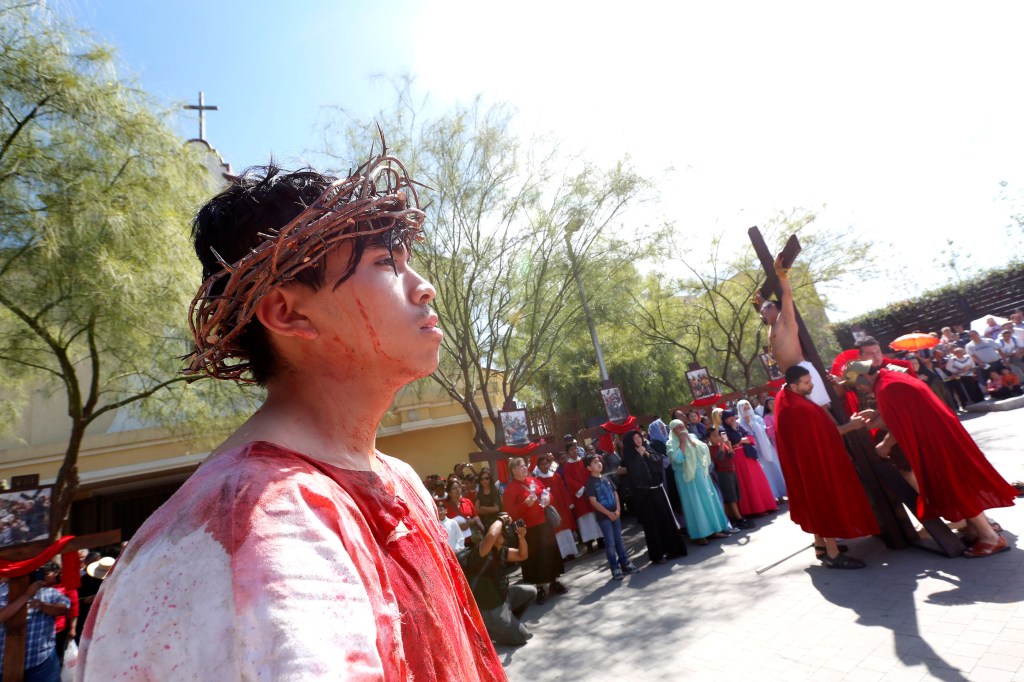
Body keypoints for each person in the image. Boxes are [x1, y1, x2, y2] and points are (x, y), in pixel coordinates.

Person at [77, 155, 504, 680]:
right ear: (290, 313)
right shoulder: (256, 529)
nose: (424, 286)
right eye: (385, 263)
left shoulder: (398, 478)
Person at [845, 360, 1017, 557]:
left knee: (953, 485)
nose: (858, 389)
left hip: (934, 441)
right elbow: (900, 410)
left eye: (857, 384)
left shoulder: (887, 387)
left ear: (865, 376)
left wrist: (885, 444)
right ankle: (975, 529)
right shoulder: (891, 379)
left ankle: (990, 538)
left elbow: (899, 421)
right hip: (939, 436)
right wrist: (875, 415)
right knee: (954, 483)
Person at [774, 365, 879, 568]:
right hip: (813, 464)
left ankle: (820, 545)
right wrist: (853, 425)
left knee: (816, 500)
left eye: (810, 380)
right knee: (824, 500)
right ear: (794, 385)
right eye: (806, 383)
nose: (811, 384)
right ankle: (832, 554)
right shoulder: (799, 408)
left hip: (806, 463)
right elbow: (827, 434)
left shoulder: (785, 397)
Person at [759, 254, 829, 405]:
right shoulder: (772, 327)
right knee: (811, 413)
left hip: (803, 372)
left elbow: (787, 295)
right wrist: (762, 300)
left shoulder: (785, 319)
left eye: (762, 310)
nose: (760, 314)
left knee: (821, 407)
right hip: (792, 378)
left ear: (772, 307)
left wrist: (781, 274)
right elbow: (767, 305)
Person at [502, 457, 567, 606]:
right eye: (521, 466)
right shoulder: (510, 489)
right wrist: (525, 504)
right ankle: (540, 588)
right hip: (528, 529)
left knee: (550, 553)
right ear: (514, 470)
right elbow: (509, 513)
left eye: (525, 466)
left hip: (544, 524)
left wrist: (547, 499)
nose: (525, 468)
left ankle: (553, 582)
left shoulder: (534, 481)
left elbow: (548, 493)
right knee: (535, 558)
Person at [464, 515, 535, 646]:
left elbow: (522, 555)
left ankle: (509, 623)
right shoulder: (482, 551)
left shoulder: (501, 551)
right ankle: (490, 631)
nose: (505, 533)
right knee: (522, 636)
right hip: (490, 608)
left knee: (530, 591)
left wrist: (521, 538)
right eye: (501, 531)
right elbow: (491, 535)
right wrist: (501, 520)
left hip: (504, 599)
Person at [620, 430, 687, 564]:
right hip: (644, 495)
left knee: (665, 519)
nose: (638, 440)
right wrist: (639, 457)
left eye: (639, 437)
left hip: (657, 490)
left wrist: (646, 454)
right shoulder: (628, 456)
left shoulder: (648, 448)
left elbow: (659, 462)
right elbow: (634, 473)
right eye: (634, 438)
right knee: (652, 524)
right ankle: (658, 554)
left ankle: (672, 549)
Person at [0, 568, 70, 682]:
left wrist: (43, 606)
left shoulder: (49, 592)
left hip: (42, 661)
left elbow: (64, 608)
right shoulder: (1, 591)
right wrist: (26, 596)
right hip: (5, 662)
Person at [667, 420, 731, 545]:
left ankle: (715, 529)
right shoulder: (670, 443)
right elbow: (678, 459)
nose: (681, 428)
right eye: (678, 427)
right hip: (687, 478)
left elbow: (704, 451)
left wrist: (691, 441)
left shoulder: (692, 436)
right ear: (673, 430)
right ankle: (700, 534)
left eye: (682, 425)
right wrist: (683, 443)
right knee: (694, 504)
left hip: (701, 474)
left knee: (708, 502)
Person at [584, 454, 638, 579]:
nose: (599, 463)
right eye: (594, 462)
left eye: (599, 461)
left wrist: (618, 510)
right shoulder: (590, 483)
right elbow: (593, 501)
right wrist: (608, 513)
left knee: (619, 540)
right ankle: (615, 568)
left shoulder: (606, 478)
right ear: (589, 468)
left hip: (615, 514)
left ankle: (625, 563)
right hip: (604, 518)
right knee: (610, 543)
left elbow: (615, 493)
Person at [720, 411, 778, 517]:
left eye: (732, 417)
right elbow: (729, 444)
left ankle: (768, 505)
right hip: (738, 459)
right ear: (724, 420)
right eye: (728, 418)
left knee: (758, 480)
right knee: (748, 483)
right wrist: (736, 435)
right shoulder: (723, 431)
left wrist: (739, 441)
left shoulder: (739, 426)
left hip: (749, 456)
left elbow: (750, 438)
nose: (732, 419)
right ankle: (756, 510)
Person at [737, 399, 786, 503]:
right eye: (744, 408)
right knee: (764, 474)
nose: (746, 410)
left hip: (766, 448)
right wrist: (748, 424)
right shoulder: (739, 423)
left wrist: (752, 424)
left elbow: (763, 430)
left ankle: (781, 494)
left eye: (748, 407)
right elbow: (747, 435)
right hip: (755, 451)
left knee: (774, 469)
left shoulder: (757, 418)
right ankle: (771, 497)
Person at [534, 454, 580, 560]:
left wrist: (569, 503)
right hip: (551, 508)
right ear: (539, 466)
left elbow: (563, 491)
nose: (545, 466)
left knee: (566, 529)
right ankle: (562, 555)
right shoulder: (538, 480)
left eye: (546, 463)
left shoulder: (556, 476)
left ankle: (571, 552)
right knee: (556, 531)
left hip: (561, 506)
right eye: (542, 464)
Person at [560, 438, 603, 551]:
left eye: (575, 448)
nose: (574, 451)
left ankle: (600, 540)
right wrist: (583, 489)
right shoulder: (567, 467)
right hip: (579, 497)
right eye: (571, 449)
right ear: (568, 452)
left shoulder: (584, 461)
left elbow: (590, 473)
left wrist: (590, 487)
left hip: (590, 493)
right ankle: (589, 544)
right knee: (584, 520)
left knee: (595, 517)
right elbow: (569, 481)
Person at [708, 430, 753, 530]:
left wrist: (729, 446)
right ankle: (738, 518)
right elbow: (719, 458)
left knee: (735, 494)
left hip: (731, 471)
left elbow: (731, 456)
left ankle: (738, 516)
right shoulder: (710, 448)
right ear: (709, 438)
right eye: (714, 436)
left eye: (718, 435)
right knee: (730, 496)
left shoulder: (723, 444)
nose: (717, 437)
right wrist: (721, 446)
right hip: (723, 473)